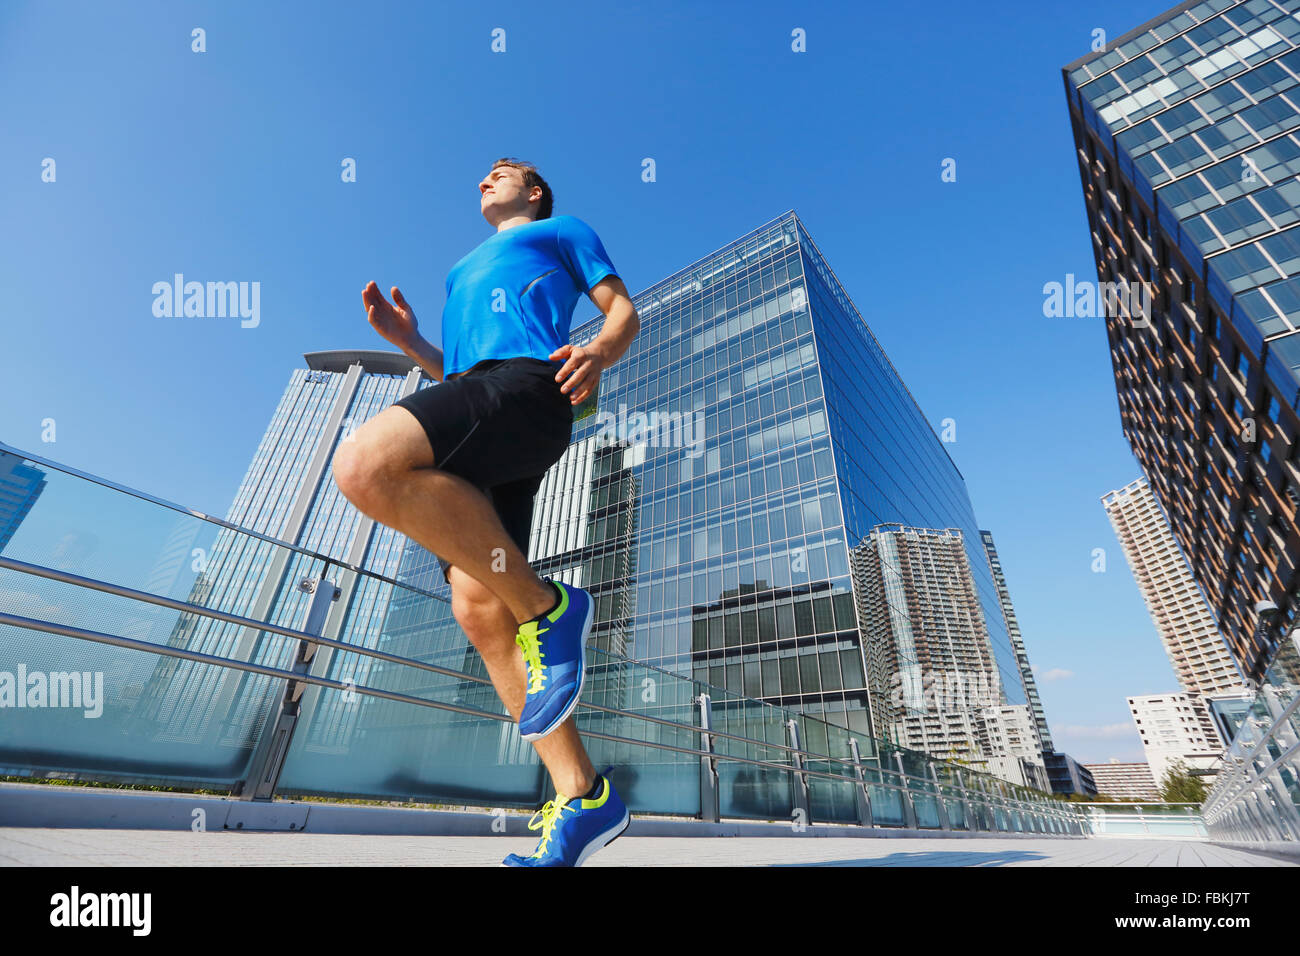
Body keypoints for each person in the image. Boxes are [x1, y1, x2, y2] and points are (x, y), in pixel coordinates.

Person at [332, 157, 640, 866]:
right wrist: (411, 344)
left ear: (534, 191)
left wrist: (599, 350)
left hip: (531, 392)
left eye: (505, 172)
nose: (485, 179)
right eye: (484, 174)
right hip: (487, 415)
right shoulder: (458, 271)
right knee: (477, 606)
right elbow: (462, 377)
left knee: (365, 464)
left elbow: (621, 310)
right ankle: (584, 796)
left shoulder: (561, 229)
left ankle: (552, 610)